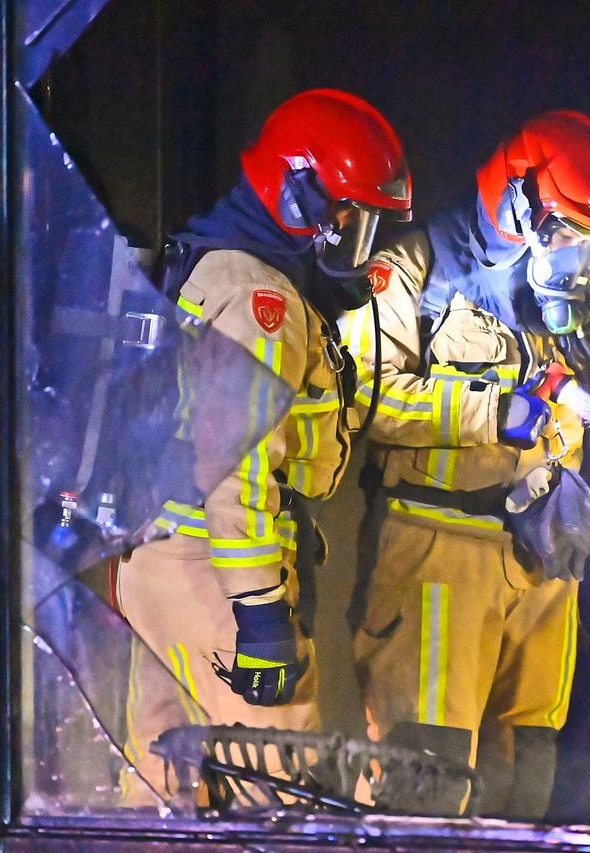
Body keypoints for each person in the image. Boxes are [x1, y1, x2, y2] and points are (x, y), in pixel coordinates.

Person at [340, 110, 590, 818]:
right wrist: (491, 410)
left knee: (523, 781)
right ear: (522, 205)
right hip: (437, 559)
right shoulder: (411, 271)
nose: (582, 264)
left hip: (545, 566)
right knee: (424, 784)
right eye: (574, 238)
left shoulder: (584, 303)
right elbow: (366, 398)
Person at [116, 89, 411, 805]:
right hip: (211, 565)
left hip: (163, 553)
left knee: (165, 782)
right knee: (274, 778)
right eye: (343, 211)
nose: (348, 231)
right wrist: (260, 611)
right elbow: (235, 464)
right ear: (296, 190)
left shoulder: (219, 263)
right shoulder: (259, 298)